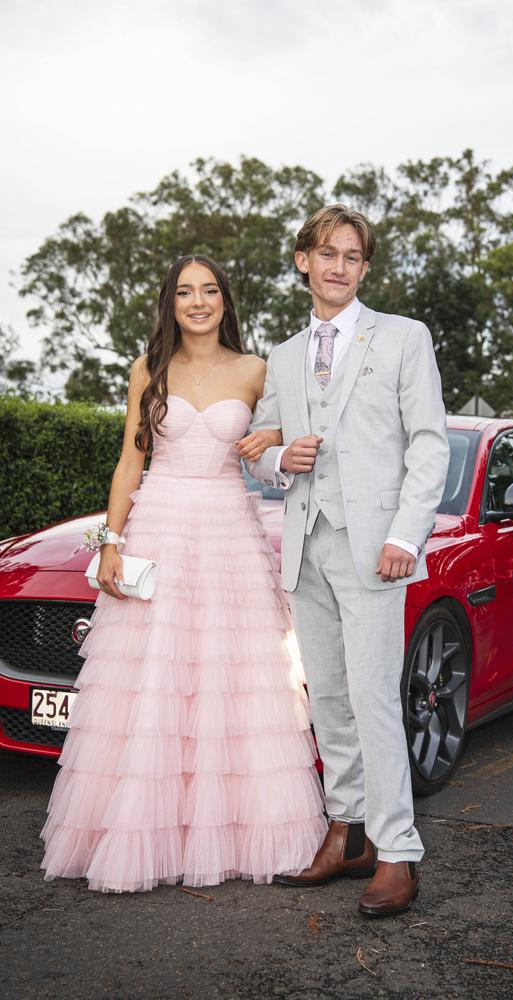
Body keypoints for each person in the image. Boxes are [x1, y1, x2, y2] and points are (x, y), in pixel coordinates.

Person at [41, 254, 327, 893]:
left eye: (210, 290)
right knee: (152, 683)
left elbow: (269, 454)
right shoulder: (149, 369)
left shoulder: (258, 370)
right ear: (170, 304)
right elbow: (128, 464)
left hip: (228, 531)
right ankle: (142, 835)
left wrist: (268, 449)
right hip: (160, 527)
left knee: (232, 681)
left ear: (226, 300)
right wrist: (111, 542)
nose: (199, 302)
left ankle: (231, 834)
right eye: (185, 293)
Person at [244, 205, 449, 916]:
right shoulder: (284, 353)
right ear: (303, 260)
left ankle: (397, 852)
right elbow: (262, 447)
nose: (338, 266)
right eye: (326, 253)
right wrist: (278, 458)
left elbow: (428, 441)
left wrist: (405, 534)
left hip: (375, 550)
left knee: (372, 700)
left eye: (352, 256)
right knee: (327, 698)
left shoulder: (403, 337)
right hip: (306, 542)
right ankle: (346, 833)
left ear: (364, 267)